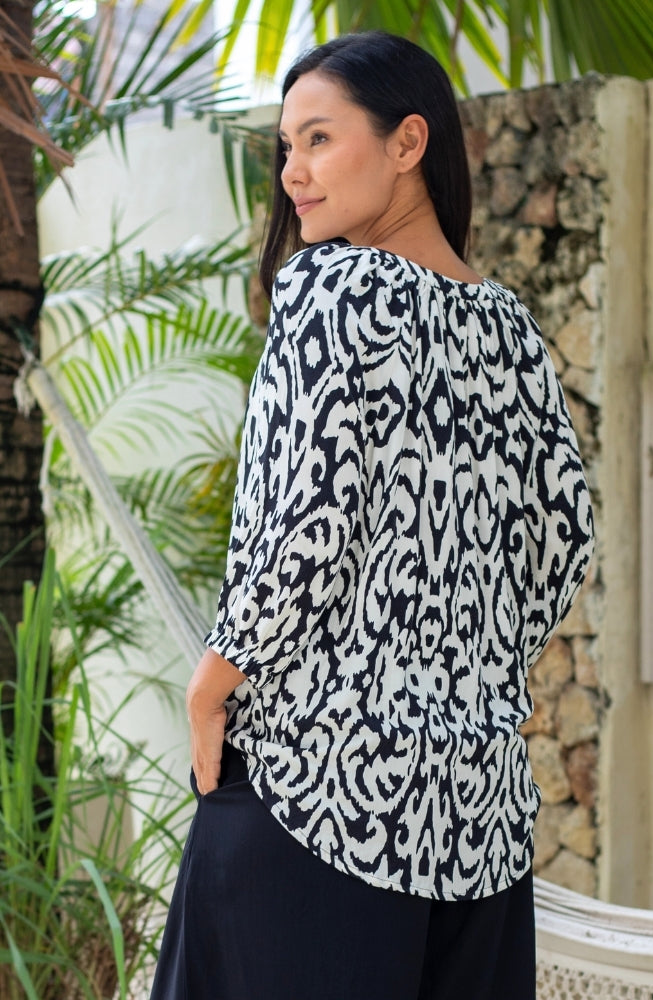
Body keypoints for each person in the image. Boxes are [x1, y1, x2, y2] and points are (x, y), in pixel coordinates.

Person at [150, 30, 594, 1000]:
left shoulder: (333, 291)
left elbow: (302, 527)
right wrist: (462, 670)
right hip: (476, 817)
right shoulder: (509, 331)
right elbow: (564, 542)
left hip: (315, 793)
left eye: (318, 138)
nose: (293, 173)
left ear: (408, 142)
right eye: (286, 147)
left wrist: (213, 681)